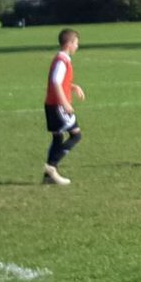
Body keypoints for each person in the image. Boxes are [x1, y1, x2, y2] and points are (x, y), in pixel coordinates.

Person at [43, 28, 85, 185]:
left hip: (51, 104)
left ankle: (48, 177)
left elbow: (60, 81)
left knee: (58, 137)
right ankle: (51, 166)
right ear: (69, 43)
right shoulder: (62, 60)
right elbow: (55, 81)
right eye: (76, 43)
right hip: (58, 106)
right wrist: (65, 103)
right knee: (76, 135)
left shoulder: (60, 59)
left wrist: (72, 87)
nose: (77, 46)